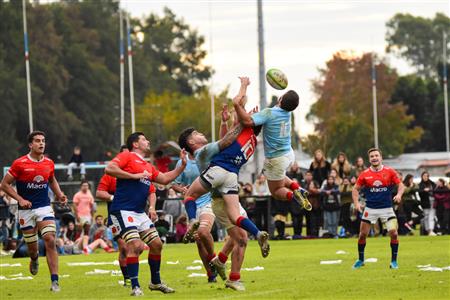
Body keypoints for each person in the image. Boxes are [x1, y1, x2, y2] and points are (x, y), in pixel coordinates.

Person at [105, 132, 187, 296]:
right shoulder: (127, 155)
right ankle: (135, 287)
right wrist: (134, 175)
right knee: (134, 245)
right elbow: (109, 168)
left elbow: (164, 179)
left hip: (139, 212)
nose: (148, 141)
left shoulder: (147, 166)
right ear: (135, 144)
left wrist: (182, 166)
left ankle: (155, 282)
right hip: (122, 210)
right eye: (144, 139)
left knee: (157, 244)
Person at [0, 131, 68, 292]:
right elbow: (4, 184)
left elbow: (51, 179)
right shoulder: (19, 163)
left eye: (43, 141)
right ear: (30, 145)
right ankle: (35, 258)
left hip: (44, 207)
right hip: (25, 211)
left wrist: (59, 194)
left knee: (50, 239)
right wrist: (20, 200)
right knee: (32, 248)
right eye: (37, 141)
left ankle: (55, 282)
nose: (41, 144)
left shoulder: (49, 163)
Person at [233, 80, 311, 212]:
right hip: (289, 155)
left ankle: (294, 196)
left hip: (276, 159)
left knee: (276, 191)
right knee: (279, 176)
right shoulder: (288, 113)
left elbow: (247, 121)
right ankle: (298, 188)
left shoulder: (269, 113)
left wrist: (238, 107)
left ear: (280, 99)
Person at [352, 148, 404, 269]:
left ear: (381, 157)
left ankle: (394, 262)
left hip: (387, 208)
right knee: (362, 235)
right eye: (372, 156)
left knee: (394, 234)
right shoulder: (365, 174)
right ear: (369, 159)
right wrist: (356, 203)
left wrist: (399, 194)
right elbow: (355, 189)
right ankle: (360, 260)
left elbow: (401, 185)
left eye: (376, 155)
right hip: (370, 209)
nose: (374, 158)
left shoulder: (390, 171)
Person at [73, 180, 94, 250]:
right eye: (84, 185)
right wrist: (77, 216)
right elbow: (74, 206)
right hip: (80, 215)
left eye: (87, 185)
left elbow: (91, 206)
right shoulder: (77, 195)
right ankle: (77, 247)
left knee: (86, 231)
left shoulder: (89, 194)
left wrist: (92, 216)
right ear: (81, 186)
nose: (85, 187)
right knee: (80, 231)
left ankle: (83, 247)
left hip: (88, 215)